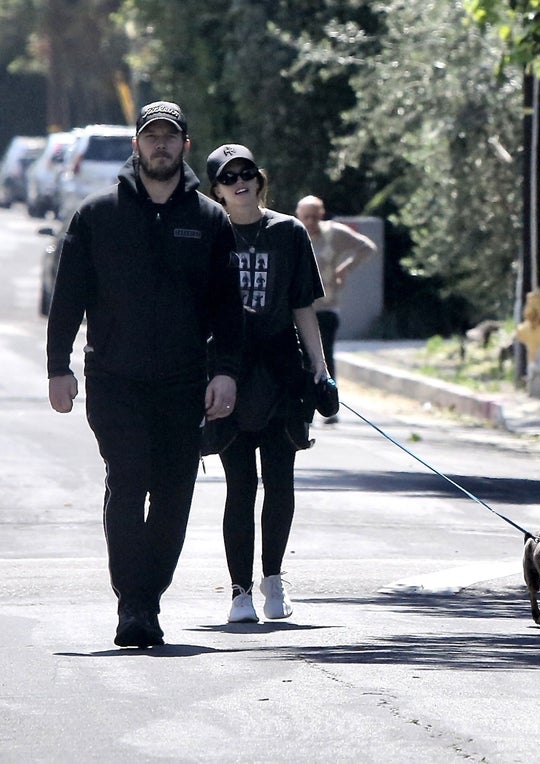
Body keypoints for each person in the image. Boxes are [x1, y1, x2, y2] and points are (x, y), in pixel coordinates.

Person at [46, 102, 244, 648]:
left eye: (170, 137)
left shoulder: (209, 220)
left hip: (185, 380)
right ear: (137, 145)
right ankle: (133, 603)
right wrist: (57, 367)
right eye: (151, 136)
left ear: (184, 146)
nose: (160, 145)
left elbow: (229, 308)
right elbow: (67, 299)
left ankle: (148, 595)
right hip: (114, 378)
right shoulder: (96, 215)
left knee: (176, 491)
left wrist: (225, 372)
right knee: (129, 480)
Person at [206, 143, 328, 624]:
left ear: (259, 178)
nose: (240, 181)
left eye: (247, 173)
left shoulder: (289, 232)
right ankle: (239, 593)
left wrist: (320, 370)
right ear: (216, 189)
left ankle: (273, 581)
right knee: (239, 485)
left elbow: (302, 304)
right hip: (227, 372)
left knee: (280, 480)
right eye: (228, 176)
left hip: (282, 372)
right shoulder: (209, 234)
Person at [295, 195, 377, 423]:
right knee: (300, 360)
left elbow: (367, 247)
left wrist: (346, 268)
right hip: (299, 308)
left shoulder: (333, 234)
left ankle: (328, 406)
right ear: (298, 215)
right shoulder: (292, 232)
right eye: (306, 217)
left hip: (326, 307)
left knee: (324, 357)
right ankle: (303, 408)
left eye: (314, 216)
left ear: (321, 214)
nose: (310, 221)